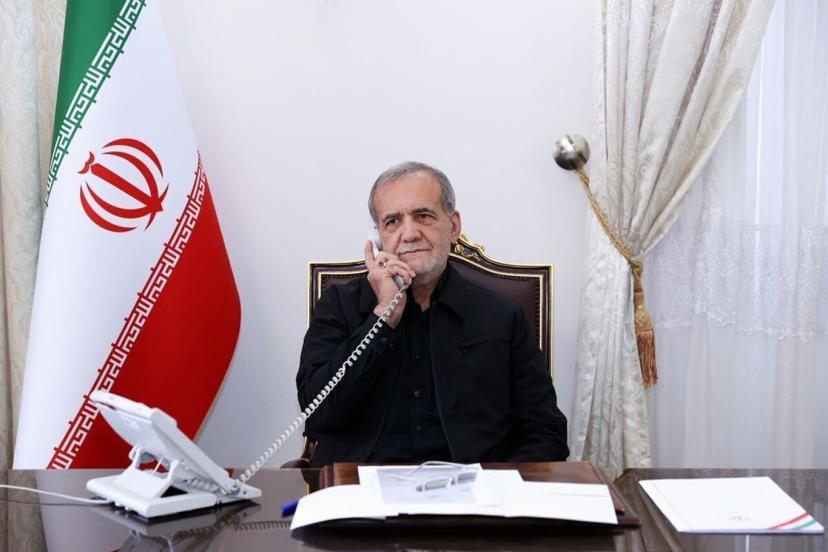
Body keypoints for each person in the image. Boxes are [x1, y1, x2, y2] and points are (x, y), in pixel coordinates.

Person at [296, 161, 568, 467]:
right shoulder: (340, 305)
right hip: (362, 486)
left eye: (423, 216)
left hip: (474, 488)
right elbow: (317, 416)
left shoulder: (503, 316)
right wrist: (382, 318)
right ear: (378, 237)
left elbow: (545, 431)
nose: (410, 234)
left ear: (454, 226)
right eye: (393, 221)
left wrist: (500, 486)